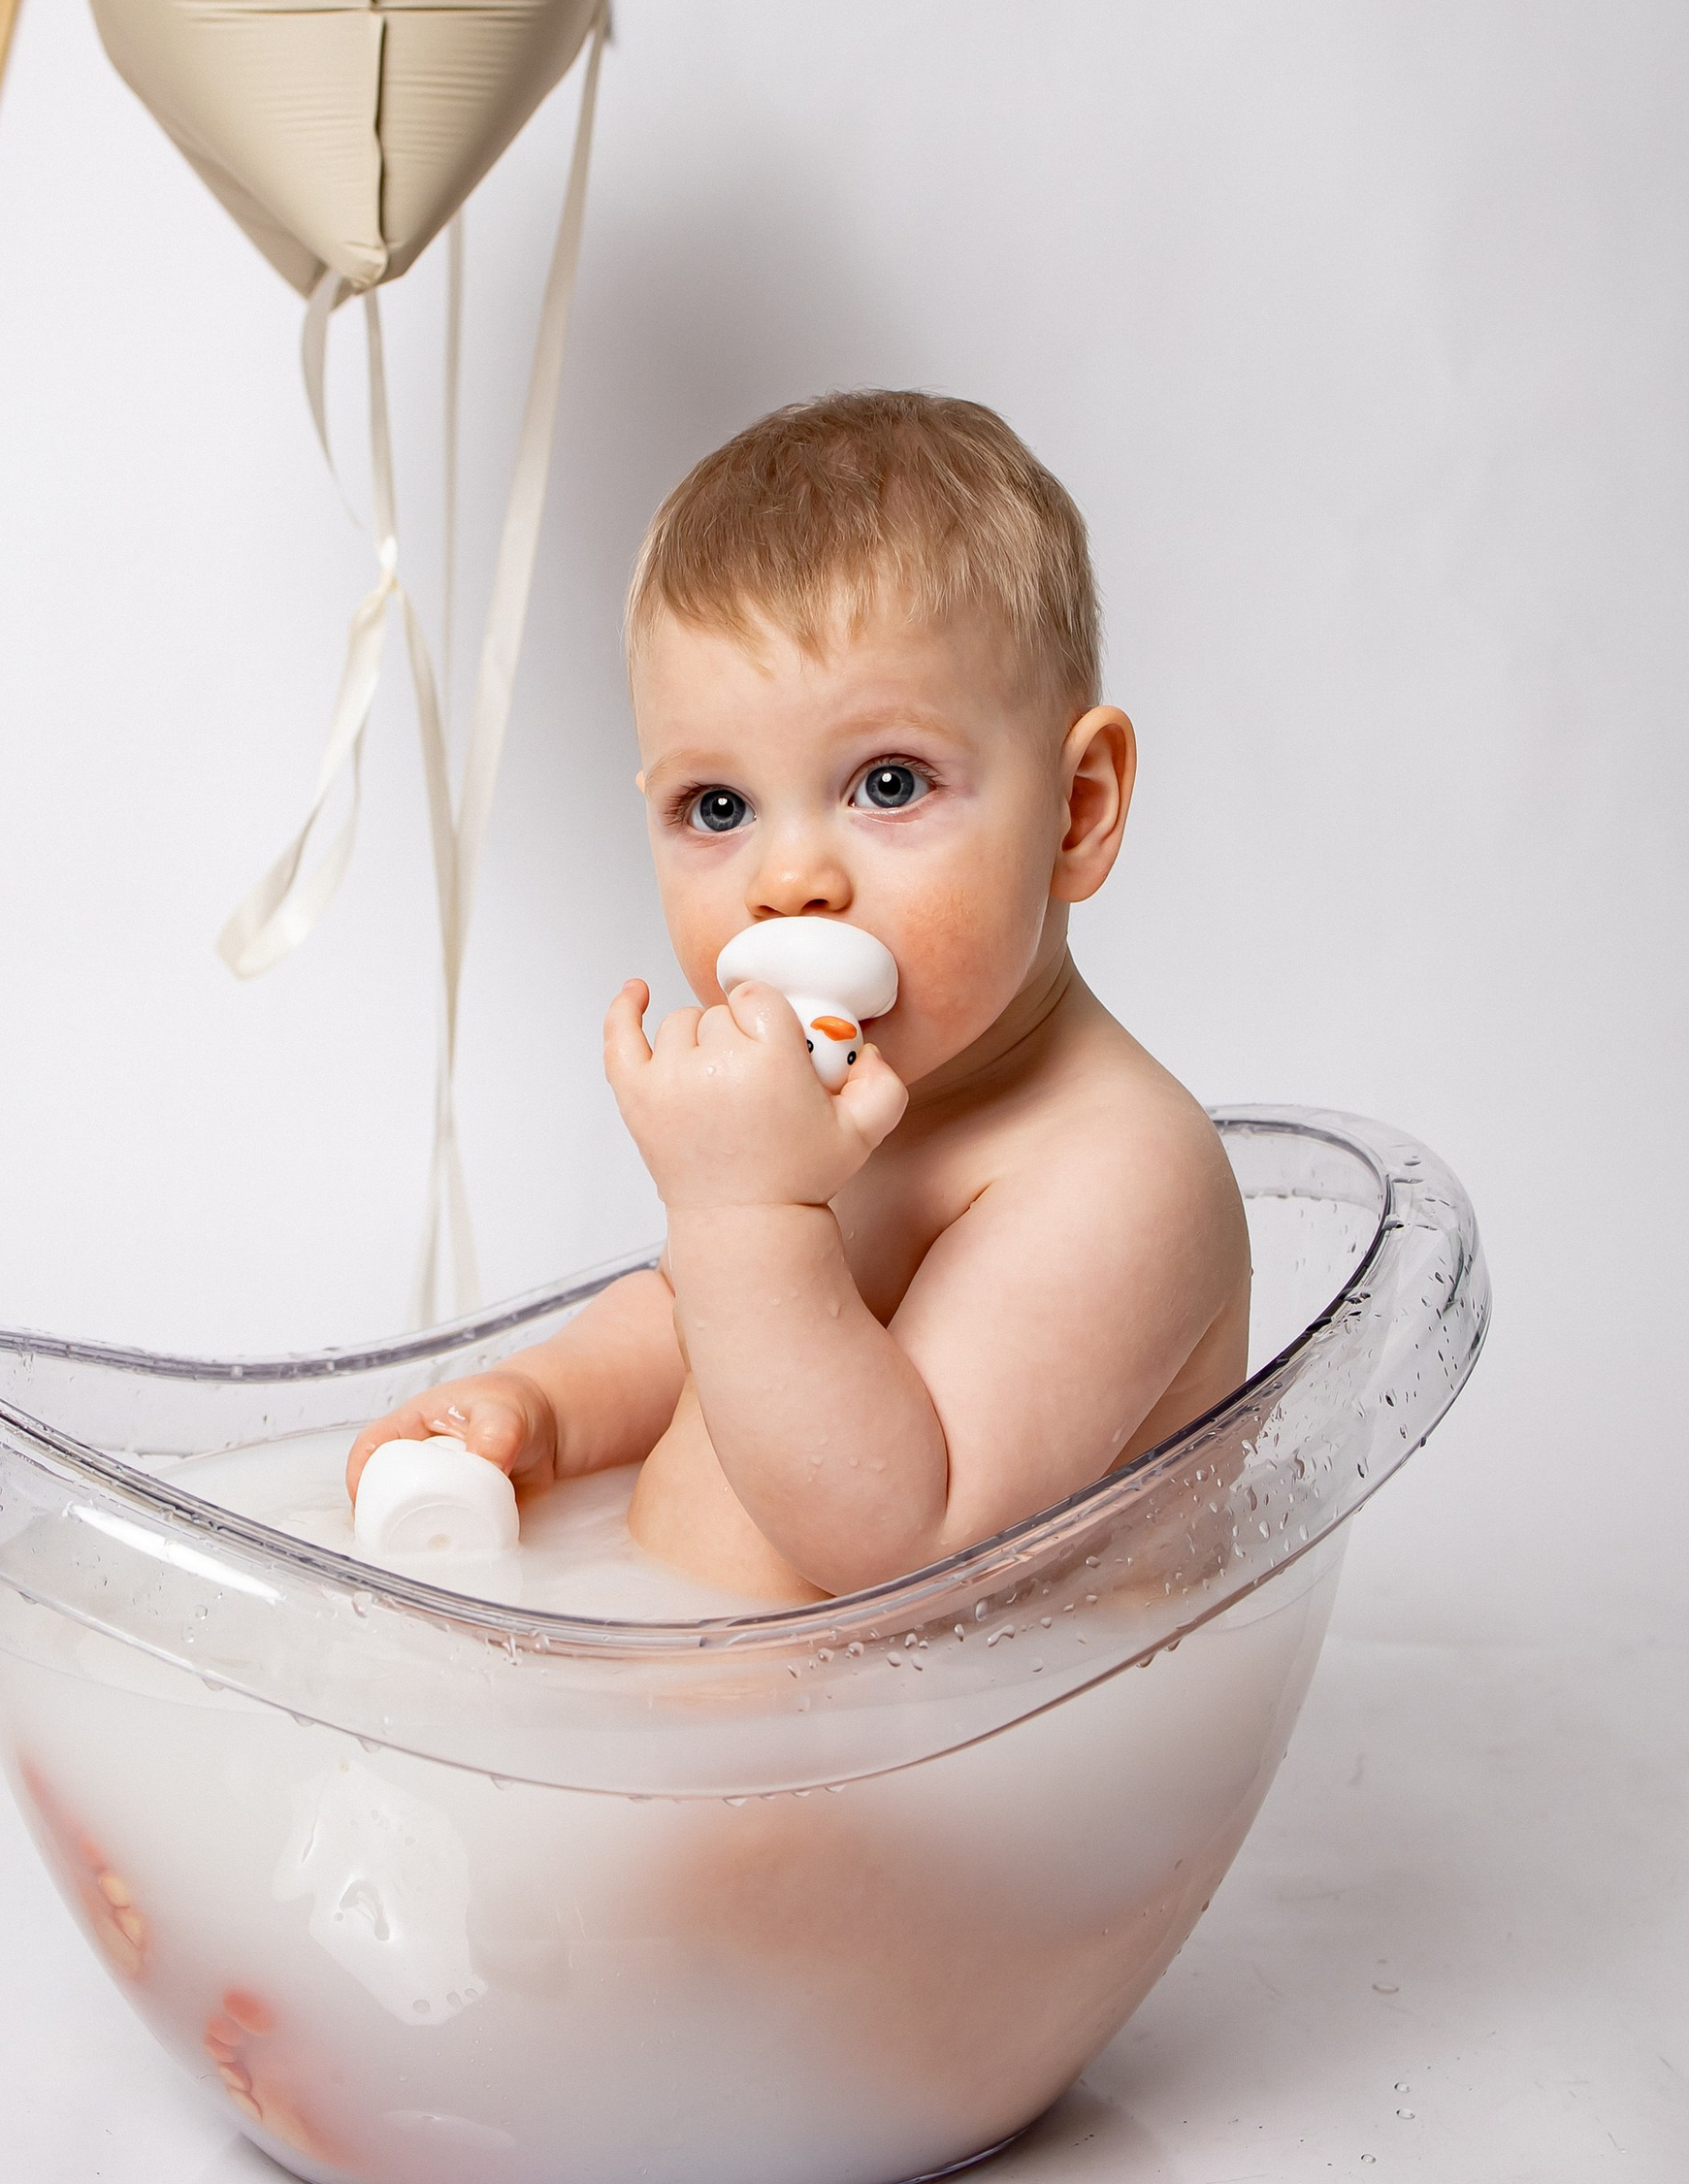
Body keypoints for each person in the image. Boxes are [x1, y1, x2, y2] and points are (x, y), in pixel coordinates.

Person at [347, 390, 1250, 1602]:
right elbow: (697, 1324)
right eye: (717, 808)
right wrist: (546, 1404)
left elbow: (910, 1543)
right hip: (717, 1734)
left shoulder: (1120, 1174)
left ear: (1076, 808)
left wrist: (743, 1211)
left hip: (953, 1781)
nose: (789, 882)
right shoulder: (841, 1099)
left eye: (887, 782)